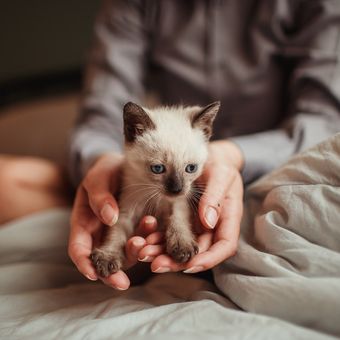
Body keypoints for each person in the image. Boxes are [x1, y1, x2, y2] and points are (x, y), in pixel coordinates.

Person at [1, 0, 340, 290]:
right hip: (148, 171)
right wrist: (101, 163)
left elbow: (323, 124)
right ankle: (144, 246)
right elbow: (101, 114)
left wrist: (233, 156)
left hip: (271, 166)